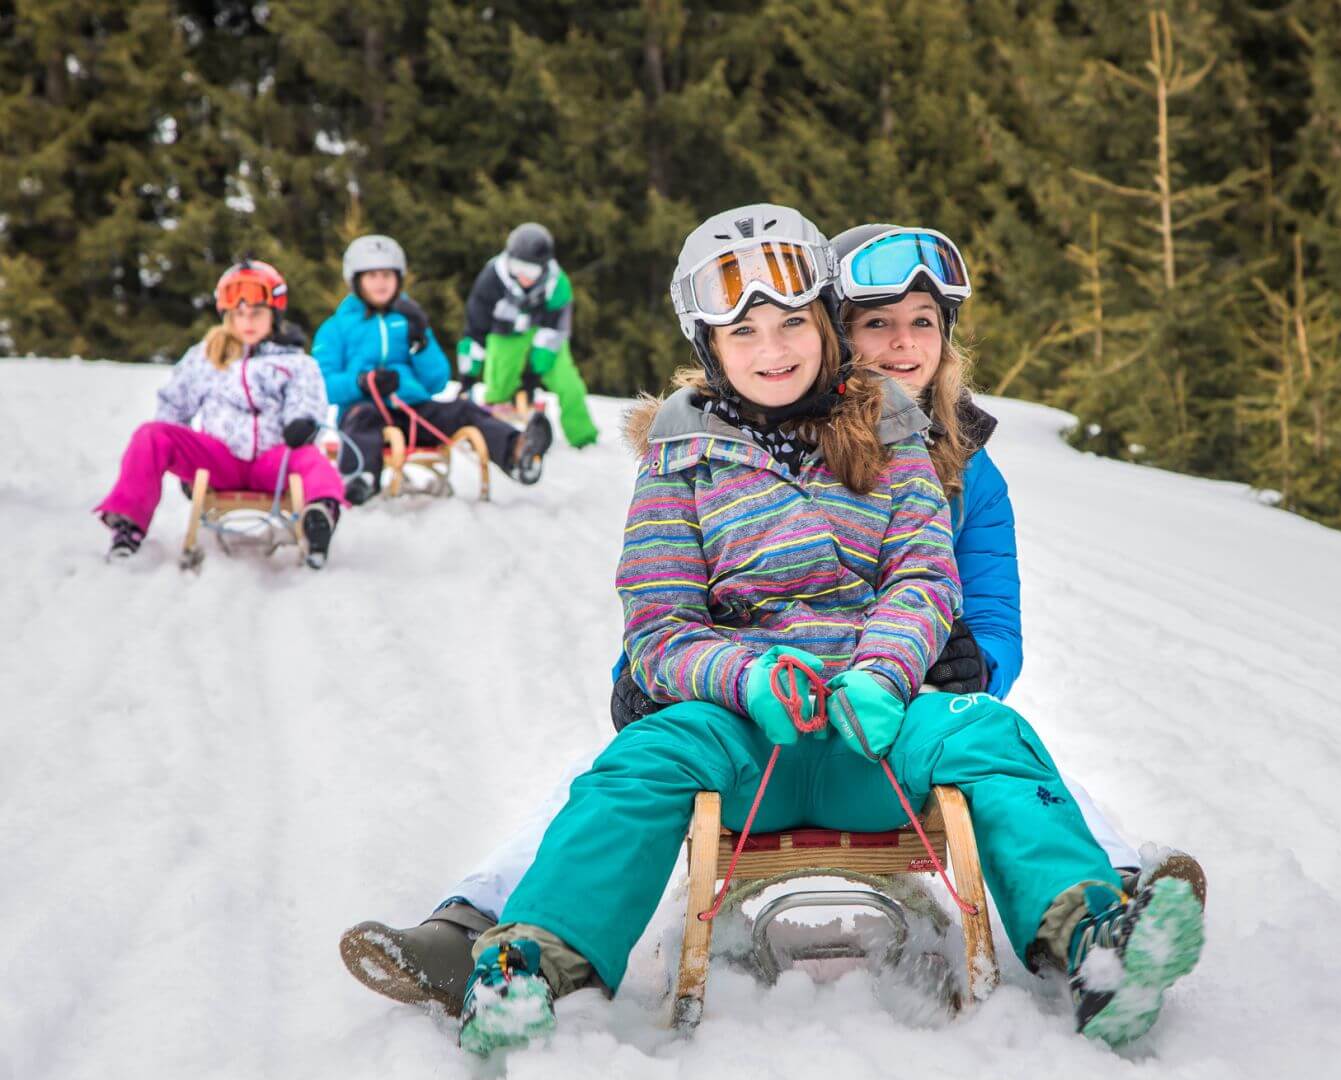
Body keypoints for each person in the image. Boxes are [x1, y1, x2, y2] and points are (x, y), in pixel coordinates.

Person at [338, 223, 1203, 1026]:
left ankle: (1098, 941)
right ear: (710, 346)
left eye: (790, 323)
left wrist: (901, 669)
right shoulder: (684, 461)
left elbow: (928, 580)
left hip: (887, 723)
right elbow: (660, 613)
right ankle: (528, 958)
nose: (773, 348)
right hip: (747, 732)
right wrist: (731, 677)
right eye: (743, 332)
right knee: (634, 764)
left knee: (996, 737)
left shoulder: (904, 444)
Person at [95, 259, 344, 568]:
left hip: (273, 463)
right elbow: (174, 405)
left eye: (257, 313)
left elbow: (307, 400)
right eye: (239, 314)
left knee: (312, 459)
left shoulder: (295, 363)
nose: (248, 321)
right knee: (151, 435)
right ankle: (127, 527)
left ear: (274, 315)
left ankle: (319, 518)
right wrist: (184, 461)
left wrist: (302, 424)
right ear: (227, 317)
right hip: (220, 460)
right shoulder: (205, 357)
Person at [313, 234, 552, 503]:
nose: (381, 283)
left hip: (413, 411)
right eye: (372, 276)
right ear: (356, 280)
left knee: (463, 409)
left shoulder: (409, 321)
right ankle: (360, 479)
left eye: (387, 275)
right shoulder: (335, 328)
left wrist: (420, 343)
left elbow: (437, 380)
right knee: (362, 421)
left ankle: (518, 453)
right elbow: (321, 385)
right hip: (365, 411)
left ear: (399, 278)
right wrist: (361, 382)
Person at [456, 222, 599, 448]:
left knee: (568, 383)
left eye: (530, 270)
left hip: (546, 338)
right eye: (517, 267)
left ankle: (583, 438)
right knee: (499, 380)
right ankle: (492, 430)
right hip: (506, 335)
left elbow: (555, 331)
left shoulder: (557, 284)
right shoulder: (492, 278)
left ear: (543, 267)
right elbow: (475, 330)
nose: (523, 276)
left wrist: (532, 375)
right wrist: (468, 375)